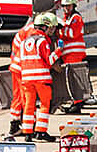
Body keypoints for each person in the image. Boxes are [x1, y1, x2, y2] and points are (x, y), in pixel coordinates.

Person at [7, 13, 63, 141]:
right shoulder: (42, 41)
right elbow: (49, 61)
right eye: (52, 28)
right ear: (45, 27)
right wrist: (59, 50)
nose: (53, 31)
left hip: (26, 79)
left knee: (29, 105)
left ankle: (28, 133)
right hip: (41, 79)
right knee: (44, 104)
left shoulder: (25, 42)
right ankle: (41, 131)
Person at [53, 0, 87, 113]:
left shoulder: (76, 18)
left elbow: (72, 33)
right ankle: (76, 101)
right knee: (72, 78)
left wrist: (61, 30)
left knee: (74, 79)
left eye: (69, 6)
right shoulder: (67, 19)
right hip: (68, 54)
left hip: (75, 54)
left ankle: (77, 103)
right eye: (64, 6)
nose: (66, 8)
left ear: (74, 6)